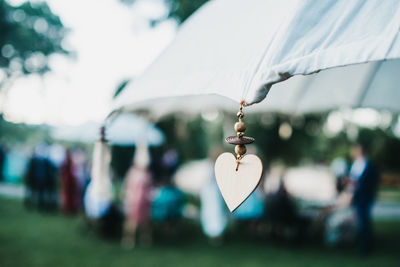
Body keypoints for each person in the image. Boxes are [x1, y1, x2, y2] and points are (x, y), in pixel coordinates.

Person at [349, 143, 380, 255]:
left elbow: (372, 181)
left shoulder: (370, 165)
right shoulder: (354, 165)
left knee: (364, 221)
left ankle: (366, 247)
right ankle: (362, 244)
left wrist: (359, 184)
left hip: (365, 196)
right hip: (357, 196)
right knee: (360, 221)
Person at [122, 143, 153, 249]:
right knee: (133, 221)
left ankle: (142, 238)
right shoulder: (136, 174)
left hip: (141, 200)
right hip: (135, 200)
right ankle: (130, 239)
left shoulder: (141, 174)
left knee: (142, 221)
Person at [60, 149, 79, 215]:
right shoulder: (68, 161)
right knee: (69, 195)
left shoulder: (67, 161)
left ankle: (69, 209)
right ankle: (69, 209)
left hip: (68, 179)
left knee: (69, 195)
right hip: (69, 179)